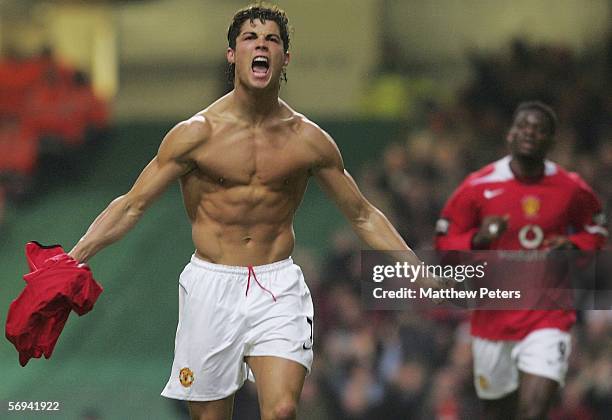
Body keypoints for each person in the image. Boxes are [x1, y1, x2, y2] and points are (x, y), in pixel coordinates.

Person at [68, 4, 447, 420]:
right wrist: (73, 259)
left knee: (282, 410)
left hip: (277, 284)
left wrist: (415, 269)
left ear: (286, 57)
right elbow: (132, 204)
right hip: (211, 284)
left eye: (272, 39)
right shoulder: (195, 134)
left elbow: (362, 214)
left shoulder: (309, 140)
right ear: (232, 54)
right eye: (250, 38)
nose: (261, 45)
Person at [435, 101, 608, 419]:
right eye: (524, 127)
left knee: (533, 412)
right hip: (492, 320)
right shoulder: (477, 186)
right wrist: (478, 239)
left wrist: (574, 244)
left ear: (551, 141)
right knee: (499, 412)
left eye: (539, 129)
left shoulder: (570, 188)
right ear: (510, 135)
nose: (530, 133)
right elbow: (444, 244)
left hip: (549, 317)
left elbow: (596, 230)